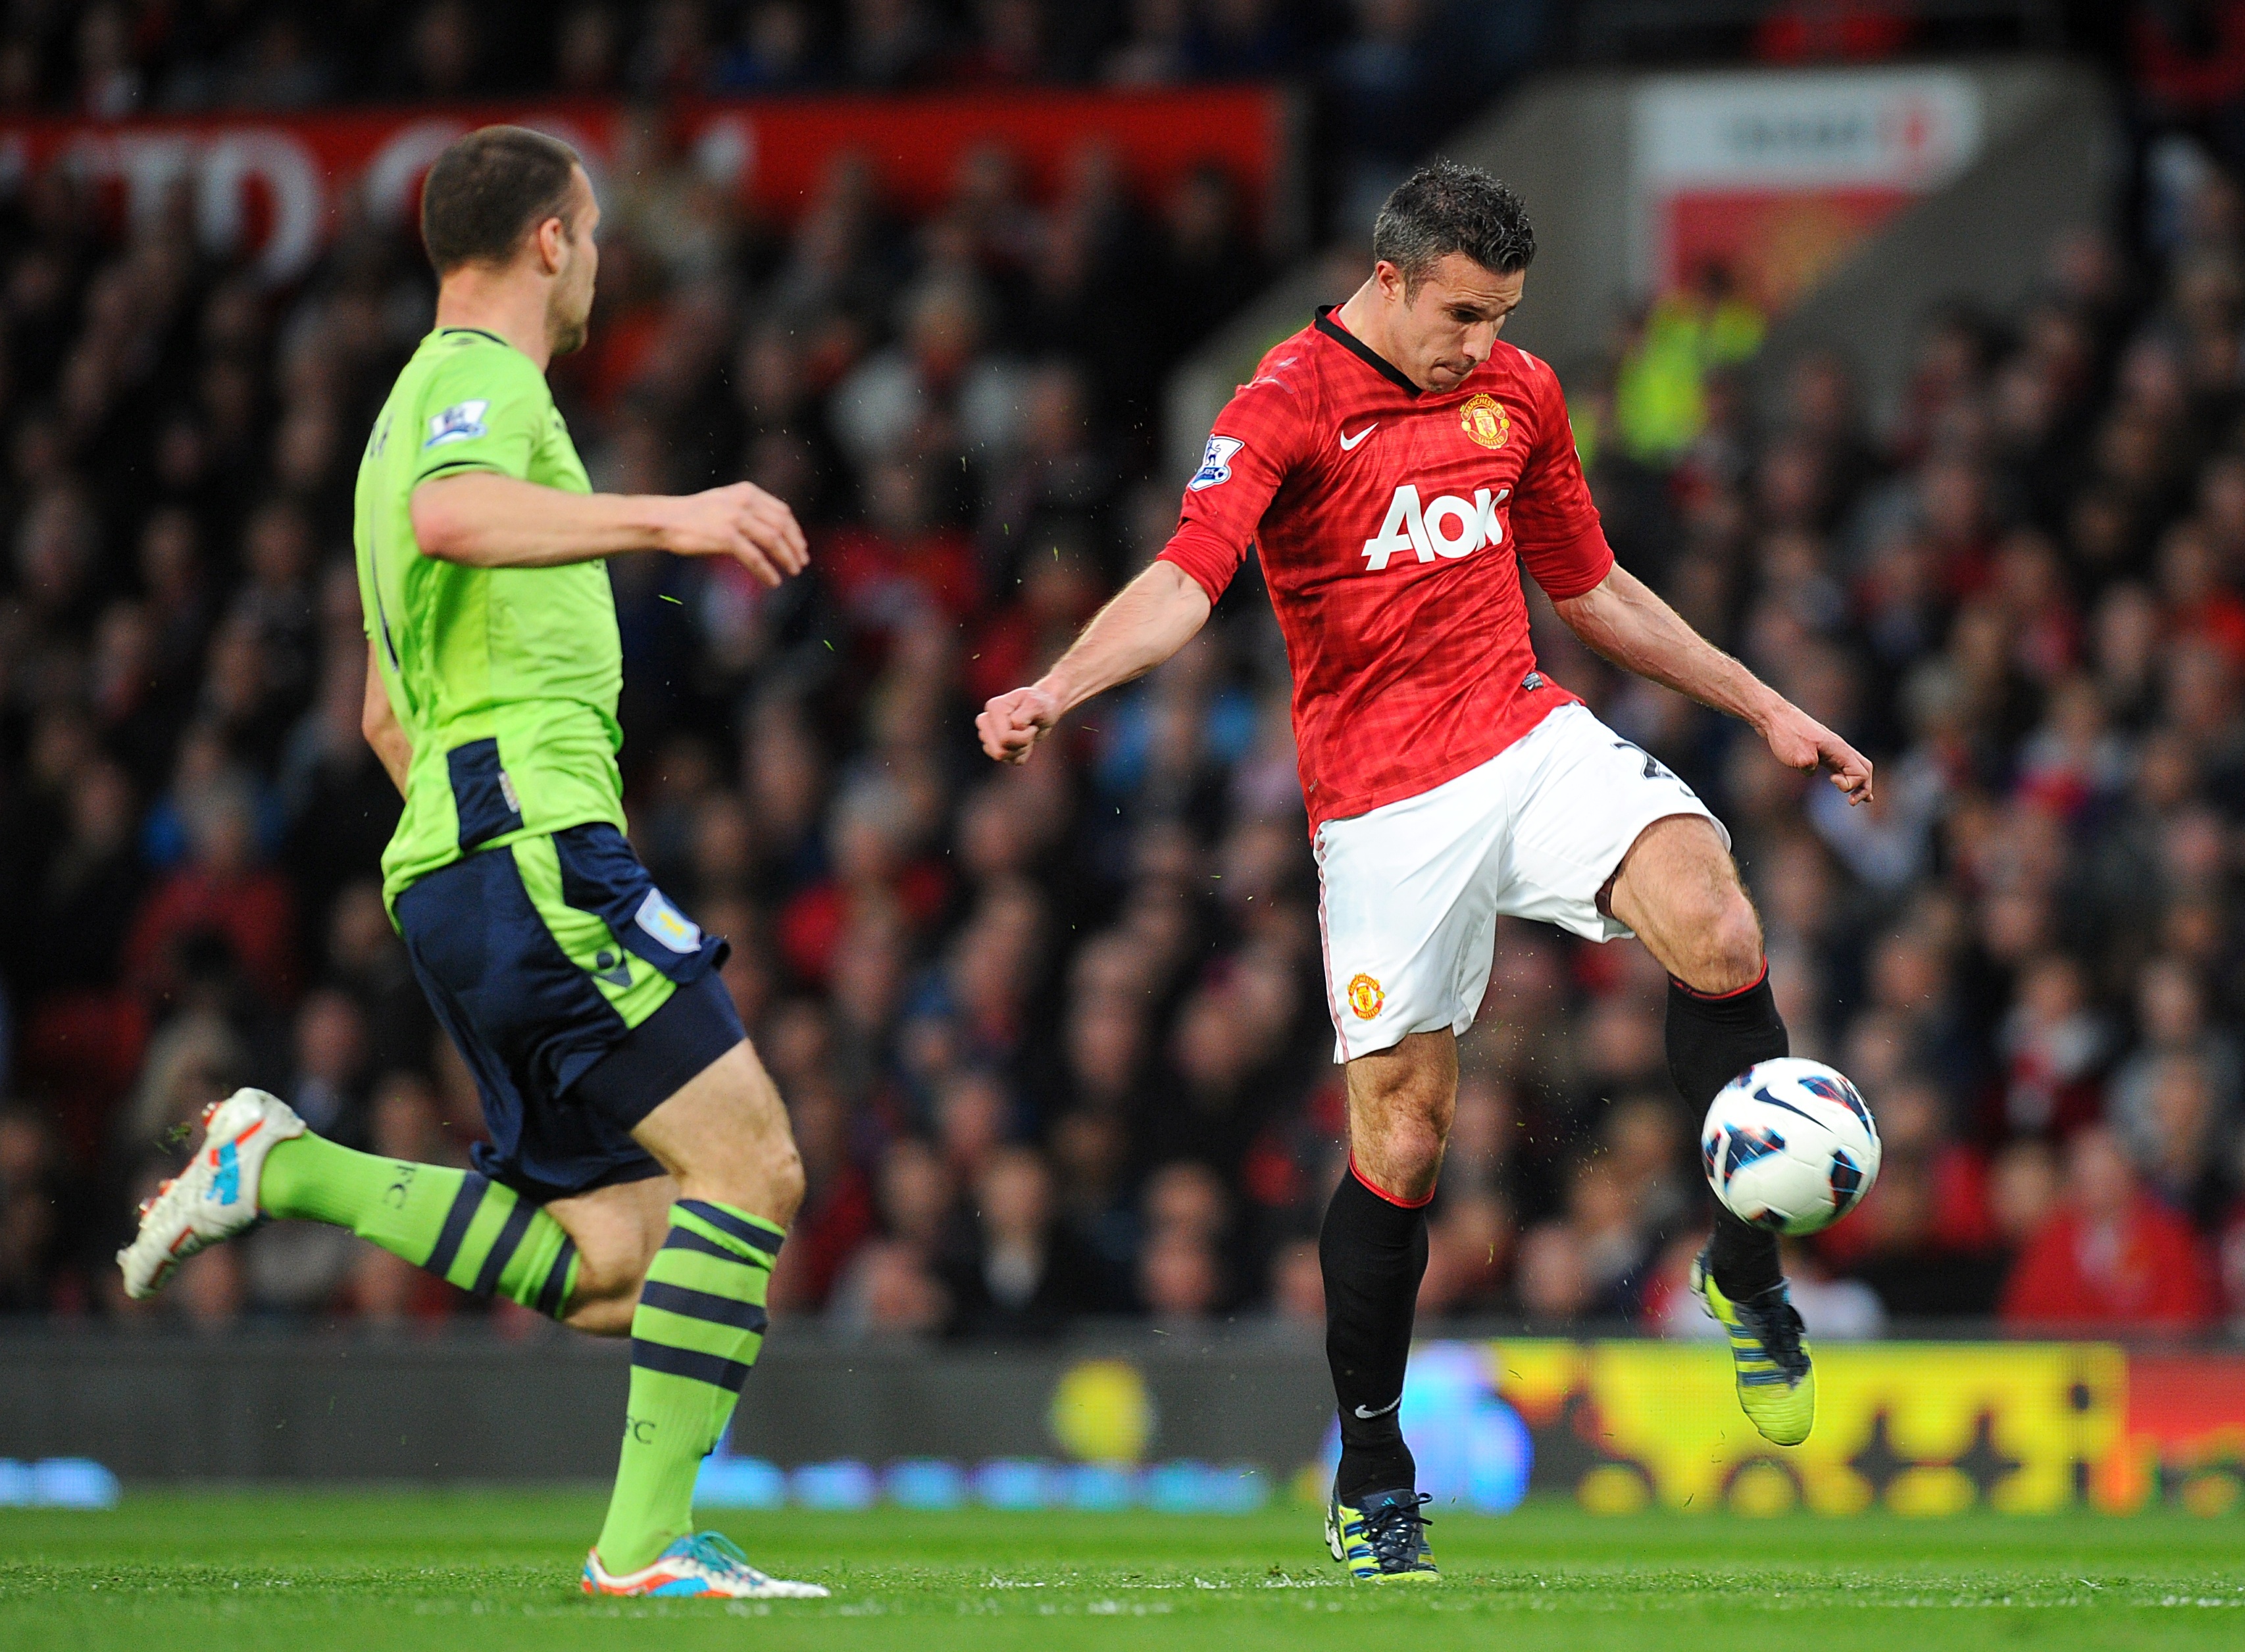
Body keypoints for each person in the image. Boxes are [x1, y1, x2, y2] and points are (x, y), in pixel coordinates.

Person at [978, 160, 1874, 1581]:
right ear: (1385, 276)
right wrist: (1058, 684)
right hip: (1385, 804)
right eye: (1461, 314)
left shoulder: (1515, 391)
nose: (1482, 344)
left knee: (1712, 910)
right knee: (1401, 1139)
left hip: (1520, 730)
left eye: (1502, 315)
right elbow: (1181, 576)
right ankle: (1372, 1462)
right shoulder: (1282, 400)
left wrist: (1760, 703)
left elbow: (1588, 587)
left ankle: (1745, 1266)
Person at [118, 126, 824, 1601]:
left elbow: (385, 706)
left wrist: (470, 832)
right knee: (751, 1163)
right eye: (598, 238)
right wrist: (670, 515)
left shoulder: (396, 420)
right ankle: (639, 1552)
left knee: (621, 1255)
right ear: (554, 240)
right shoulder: (473, 387)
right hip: (526, 842)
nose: (599, 266)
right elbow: (457, 515)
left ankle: (285, 1167)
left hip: (466, 853)